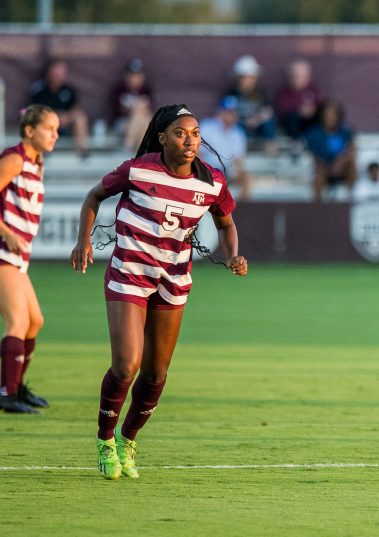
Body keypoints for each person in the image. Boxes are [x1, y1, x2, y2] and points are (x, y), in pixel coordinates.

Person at [70, 104, 248, 480]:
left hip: (173, 281)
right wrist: (83, 241)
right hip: (129, 275)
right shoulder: (138, 170)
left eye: (196, 133)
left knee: (154, 374)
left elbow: (227, 223)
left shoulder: (211, 182)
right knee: (126, 365)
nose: (190, 140)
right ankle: (104, 440)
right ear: (163, 136)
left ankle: (127, 439)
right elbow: (93, 196)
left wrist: (234, 255)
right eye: (181, 133)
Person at [0, 105, 58, 414]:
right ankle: (6, 393)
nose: (55, 135)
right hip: (2, 252)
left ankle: (16, 387)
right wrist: (7, 232)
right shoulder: (14, 159)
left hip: (15, 255)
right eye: (49, 129)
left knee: (35, 321)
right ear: (29, 130)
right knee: (18, 320)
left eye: (57, 129)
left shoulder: (36, 163)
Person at [28, 58, 89, 157]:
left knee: (80, 117)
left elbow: (75, 109)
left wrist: (67, 117)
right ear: (49, 72)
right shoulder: (39, 90)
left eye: (62, 72)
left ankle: (82, 151)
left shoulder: (68, 90)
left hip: (65, 125)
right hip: (46, 126)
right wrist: (56, 117)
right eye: (57, 71)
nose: (59, 75)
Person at [199, 96, 251, 200]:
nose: (231, 115)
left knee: (246, 178)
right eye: (228, 112)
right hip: (209, 170)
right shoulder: (207, 127)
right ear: (221, 112)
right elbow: (198, 153)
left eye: (233, 112)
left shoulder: (238, 133)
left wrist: (237, 172)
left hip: (227, 171)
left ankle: (237, 209)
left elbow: (238, 160)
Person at [223, 55, 277, 154]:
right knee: (236, 128)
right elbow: (227, 114)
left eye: (251, 77)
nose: (249, 80)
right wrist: (245, 121)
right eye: (245, 77)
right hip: (242, 126)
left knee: (270, 122)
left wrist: (257, 119)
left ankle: (270, 146)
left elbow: (268, 111)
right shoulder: (232, 93)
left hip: (258, 125)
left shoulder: (261, 92)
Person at [304, 100, 357, 203]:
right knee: (319, 173)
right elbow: (313, 154)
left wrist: (341, 162)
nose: (330, 118)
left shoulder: (345, 132)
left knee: (352, 165)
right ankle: (317, 204)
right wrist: (327, 166)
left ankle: (352, 199)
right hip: (323, 168)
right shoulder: (314, 134)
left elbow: (351, 149)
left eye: (333, 114)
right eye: (327, 115)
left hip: (342, 168)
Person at [110, 58, 154, 152]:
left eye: (137, 75)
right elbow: (120, 110)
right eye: (131, 75)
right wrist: (135, 109)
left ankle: (129, 146)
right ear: (125, 76)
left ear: (142, 77)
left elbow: (149, 110)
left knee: (145, 122)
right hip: (123, 122)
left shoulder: (147, 90)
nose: (134, 78)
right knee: (142, 120)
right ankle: (140, 153)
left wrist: (137, 109)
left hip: (142, 123)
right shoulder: (119, 90)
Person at [275, 59, 323, 142]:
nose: (300, 79)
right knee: (293, 117)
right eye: (297, 76)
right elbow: (282, 111)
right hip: (293, 126)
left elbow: (321, 106)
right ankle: (296, 142)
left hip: (310, 124)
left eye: (304, 76)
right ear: (291, 77)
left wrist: (312, 110)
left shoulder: (313, 90)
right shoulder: (284, 93)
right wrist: (299, 111)